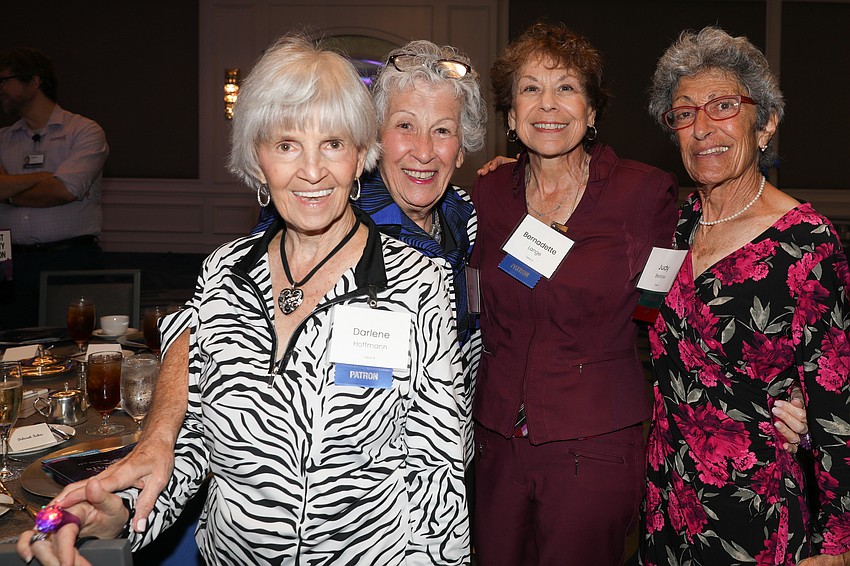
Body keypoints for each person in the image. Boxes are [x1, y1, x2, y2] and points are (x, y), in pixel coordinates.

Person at [19, 34, 469, 565]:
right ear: (257, 160)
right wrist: (121, 515)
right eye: (286, 145)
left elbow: (439, 480)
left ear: (360, 156)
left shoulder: (418, 282)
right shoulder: (223, 276)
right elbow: (196, 447)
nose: (311, 170)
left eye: (332, 143)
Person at [468, 22, 678, 566]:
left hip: (596, 439)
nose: (548, 104)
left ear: (591, 113)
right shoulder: (489, 193)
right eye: (530, 88)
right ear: (511, 117)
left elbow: (671, 311)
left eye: (566, 88)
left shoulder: (643, 194)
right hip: (495, 442)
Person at [641, 26, 850, 565]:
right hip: (667, 505)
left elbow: (836, 405)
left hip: (758, 514)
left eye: (723, 106)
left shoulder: (808, 242)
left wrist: (838, 542)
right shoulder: (674, 225)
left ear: (767, 124)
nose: (702, 127)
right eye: (684, 113)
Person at [0, 47, 109, 329]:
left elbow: (63, 191)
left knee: (72, 342)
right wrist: (46, 177)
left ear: (33, 82)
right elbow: (55, 185)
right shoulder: (3, 139)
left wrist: (10, 192)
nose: (1, 88)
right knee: (11, 344)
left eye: (5, 80)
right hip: (11, 262)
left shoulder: (84, 131)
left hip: (71, 259)